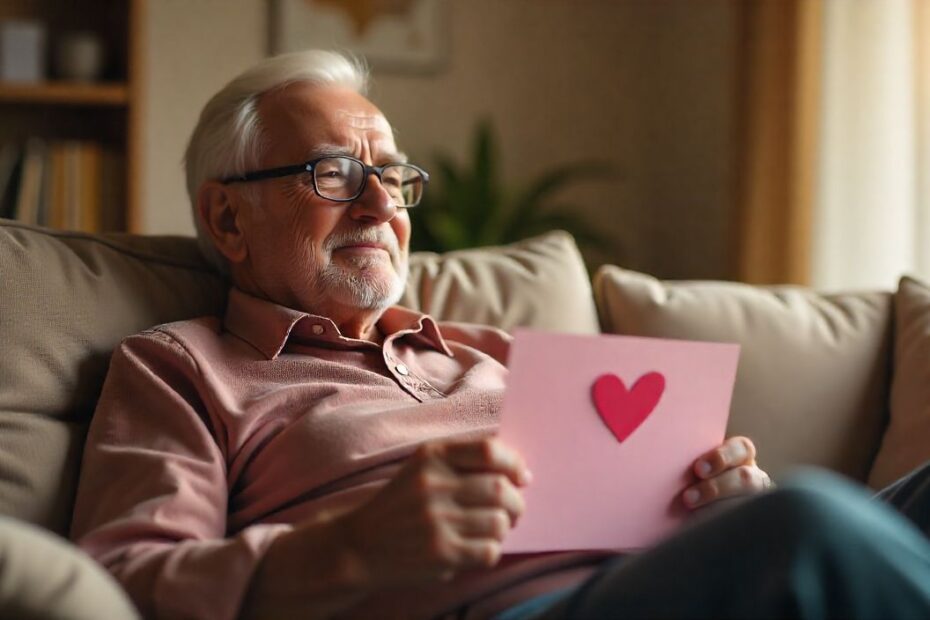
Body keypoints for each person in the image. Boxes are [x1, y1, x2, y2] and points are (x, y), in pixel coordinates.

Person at [70, 50, 930, 620]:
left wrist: (728, 500)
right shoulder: (182, 368)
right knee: (811, 522)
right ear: (226, 216)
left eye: (393, 177)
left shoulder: (494, 351)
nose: (379, 205)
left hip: (660, 582)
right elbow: (120, 586)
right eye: (333, 174)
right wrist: (356, 547)